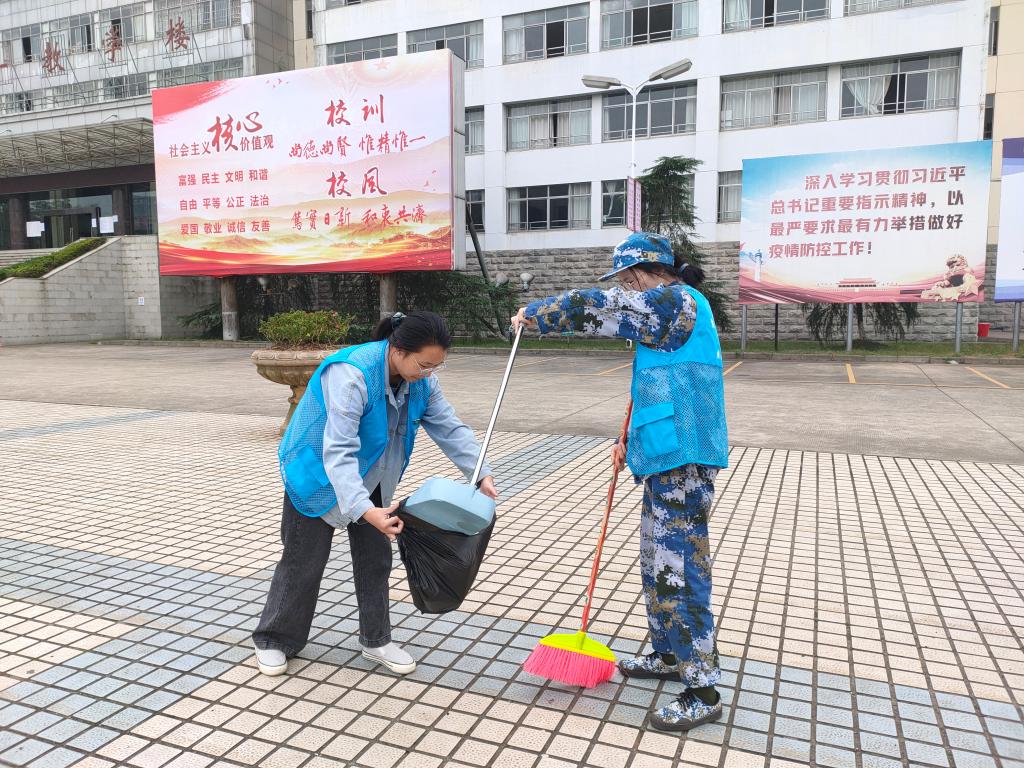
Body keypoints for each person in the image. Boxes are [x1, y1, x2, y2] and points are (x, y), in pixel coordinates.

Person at [512, 232, 728, 732]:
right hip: (663, 456)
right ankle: (668, 654)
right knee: (656, 562)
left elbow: (596, 306)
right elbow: (652, 385)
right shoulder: (664, 315)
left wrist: (536, 314)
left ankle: (703, 689)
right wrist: (625, 438)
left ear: (644, 273)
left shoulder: (674, 303)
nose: (625, 288)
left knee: (679, 569)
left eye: (628, 280)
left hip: (685, 459)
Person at [252, 311, 498, 677]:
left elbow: (450, 428)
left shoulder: (422, 382)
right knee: (303, 561)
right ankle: (274, 639)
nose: (429, 373)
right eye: (424, 364)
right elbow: (339, 451)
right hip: (317, 474)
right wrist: (365, 511)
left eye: (436, 366)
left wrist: (481, 473)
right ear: (398, 350)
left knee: (376, 560)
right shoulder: (351, 374)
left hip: (375, 474)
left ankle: (376, 639)